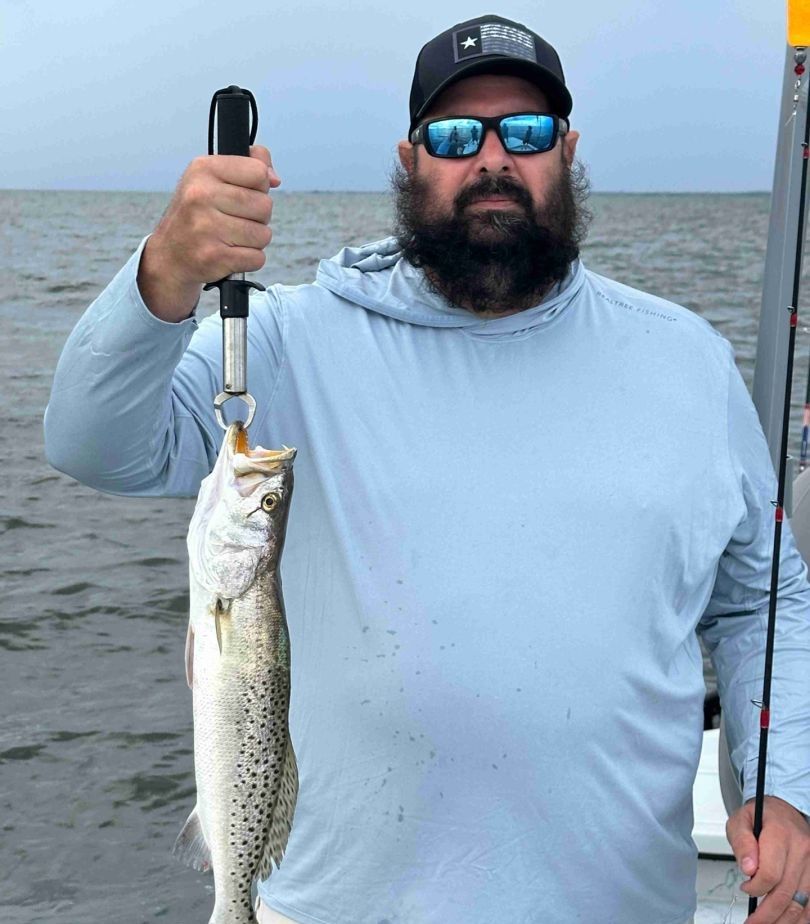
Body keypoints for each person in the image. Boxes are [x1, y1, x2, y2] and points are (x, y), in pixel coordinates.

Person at [44, 14, 810, 924]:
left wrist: (786, 781)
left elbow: (759, 597)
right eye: (455, 137)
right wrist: (162, 274)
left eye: (524, 132)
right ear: (411, 161)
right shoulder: (284, 341)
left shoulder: (685, 359)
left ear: (566, 151)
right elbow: (94, 444)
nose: (492, 159)